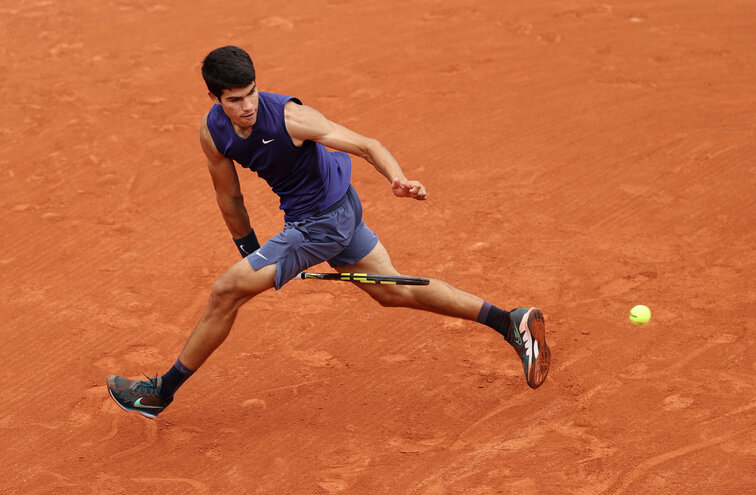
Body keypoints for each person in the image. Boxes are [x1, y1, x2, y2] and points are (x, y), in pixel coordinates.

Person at [106, 46, 551, 419]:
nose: (247, 106)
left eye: (252, 93)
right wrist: (253, 252)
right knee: (394, 290)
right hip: (328, 216)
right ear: (213, 96)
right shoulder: (213, 132)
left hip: (323, 221)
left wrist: (397, 178)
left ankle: (161, 392)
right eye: (235, 99)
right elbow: (230, 198)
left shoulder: (290, 117)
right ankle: (509, 321)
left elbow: (366, 144)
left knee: (226, 292)